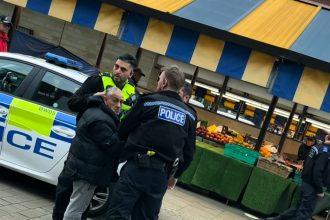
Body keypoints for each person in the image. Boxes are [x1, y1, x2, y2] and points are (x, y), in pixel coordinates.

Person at [107, 65, 196, 219]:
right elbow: (189, 153)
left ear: (165, 82)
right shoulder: (190, 115)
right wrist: (175, 176)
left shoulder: (148, 102)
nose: (157, 82)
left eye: (159, 79)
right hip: (161, 175)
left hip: (135, 168)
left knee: (117, 214)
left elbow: (123, 130)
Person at [54, 87, 123, 220]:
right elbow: (113, 146)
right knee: (76, 210)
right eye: (115, 101)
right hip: (87, 174)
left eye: (121, 101)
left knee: (69, 205)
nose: (119, 105)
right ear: (105, 99)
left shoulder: (94, 110)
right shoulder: (101, 120)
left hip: (79, 169)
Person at [267, 133, 330, 220]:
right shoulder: (325, 152)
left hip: (306, 183)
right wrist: (320, 190)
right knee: (304, 213)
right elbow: (317, 171)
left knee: (297, 209)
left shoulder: (318, 147)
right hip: (312, 186)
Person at [67, 53, 137, 120]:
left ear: (131, 74)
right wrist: (93, 97)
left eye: (123, 69)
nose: (118, 71)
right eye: (116, 66)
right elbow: (72, 104)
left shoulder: (133, 94)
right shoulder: (97, 81)